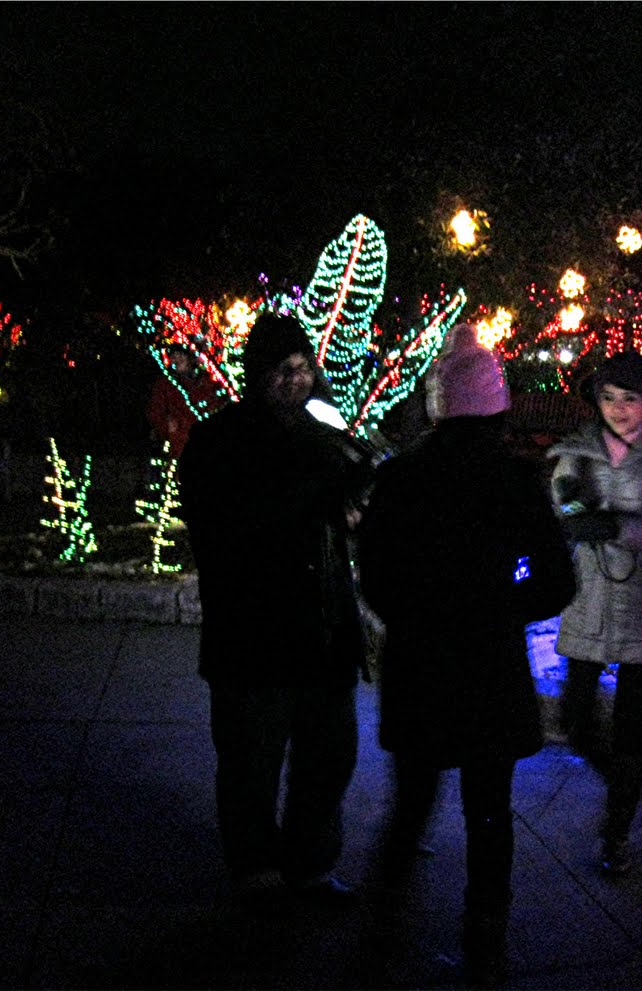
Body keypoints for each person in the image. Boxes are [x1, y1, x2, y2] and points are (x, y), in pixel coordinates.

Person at [356, 324, 575, 986]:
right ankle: (485, 929)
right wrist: (503, 609)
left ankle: (382, 926)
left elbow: (374, 575)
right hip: (489, 666)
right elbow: (558, 581)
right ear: (497, 406)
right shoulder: (515, 480)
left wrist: (415, 617)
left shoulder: (399, 478)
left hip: (420, 664)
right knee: (489, 811)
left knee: (412, 802)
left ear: (438, 404)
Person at [177, 313, 373, 912]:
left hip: (322, 631)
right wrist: (311, 497)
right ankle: (256, 871)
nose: (295, 381)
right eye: (280, 370)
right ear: (255, 374)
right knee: (250, 764)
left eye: (302, 368)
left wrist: (351, 502)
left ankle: (311, 865)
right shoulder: (221, 441)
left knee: (327, 757)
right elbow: (224, 529)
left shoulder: (324, 436)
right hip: (254, 635)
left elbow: (346, 513)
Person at [548, 349, 642, 875]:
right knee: (575, 717)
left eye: (628, 399)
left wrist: (617, 527)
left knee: (633, 721)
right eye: (608, 397)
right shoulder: (582, 447)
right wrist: (568, 505)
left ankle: (616, 831)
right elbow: (559, 501)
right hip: (589, 592)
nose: (617, 409)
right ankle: (624, 782)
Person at [146, 345, 216, 458]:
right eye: (173, 356)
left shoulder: (206, 381)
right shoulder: (165, 384)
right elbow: (155, 412)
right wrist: (166, 425)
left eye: (180, 355)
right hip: (177, 447)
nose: (176, 359)